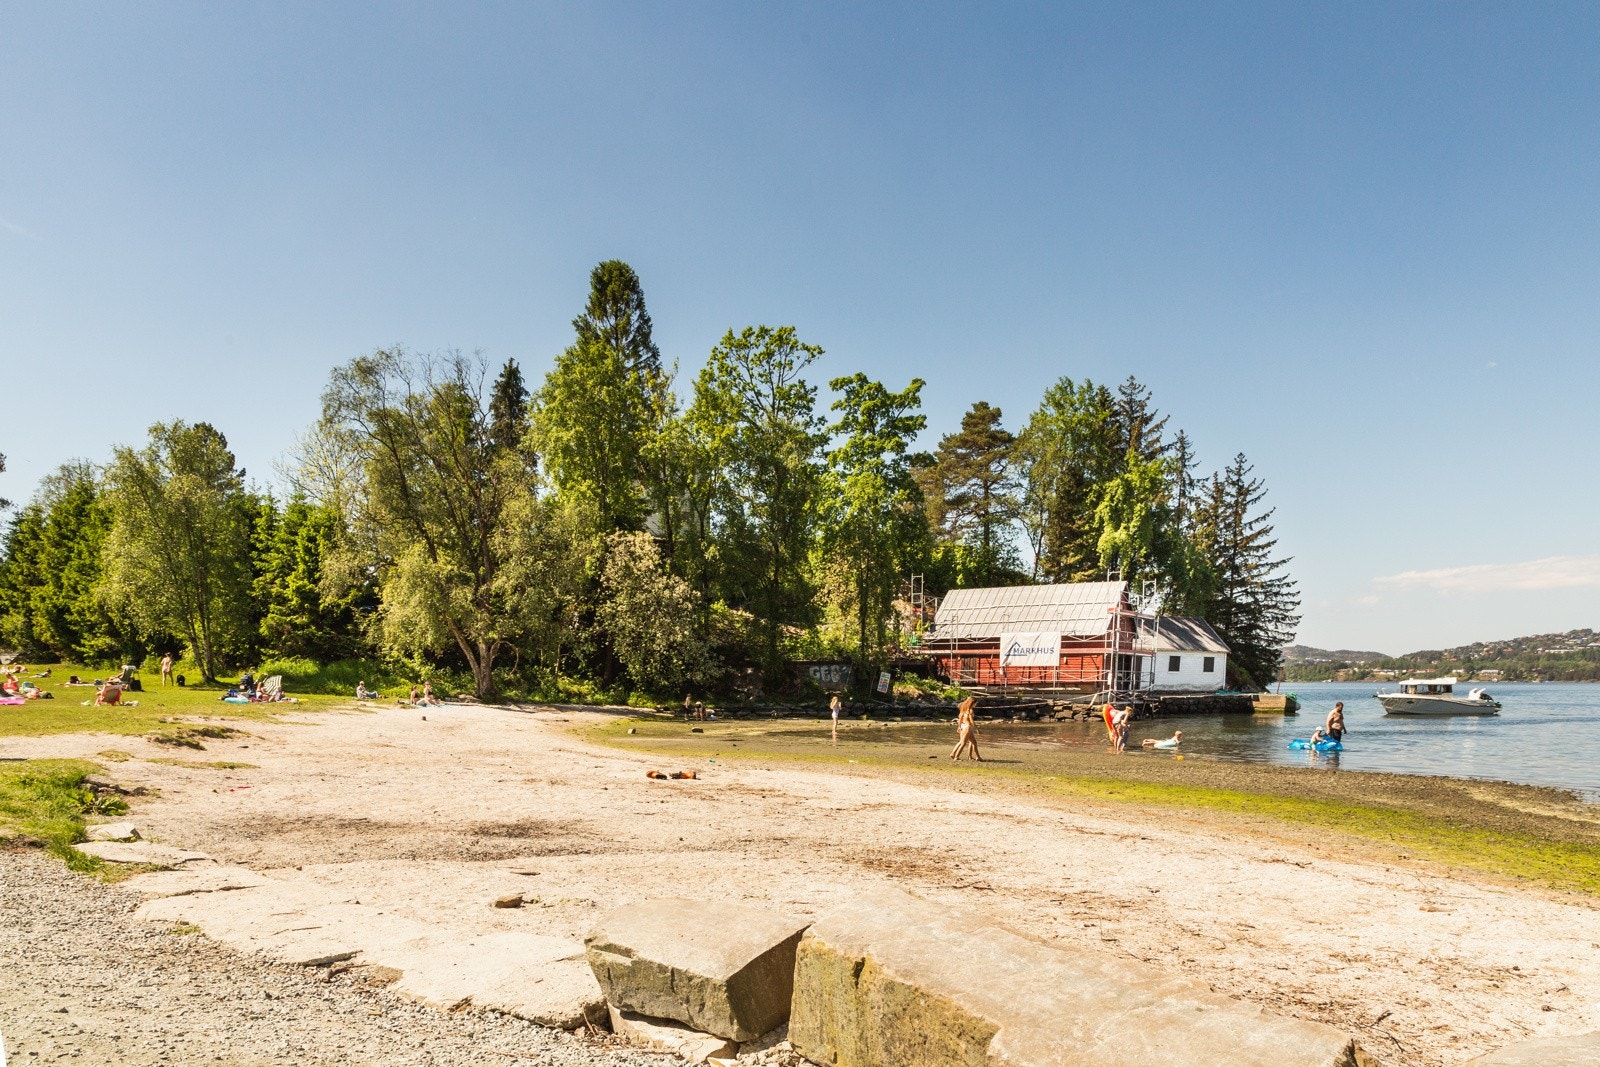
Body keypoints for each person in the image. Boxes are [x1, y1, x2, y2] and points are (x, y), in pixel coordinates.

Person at [949, 695, 982, 761]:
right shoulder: (970, 711)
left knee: (974, 742)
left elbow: (960, 719)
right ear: (972, 703)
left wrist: (959, 726)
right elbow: (971, 721)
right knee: (963, 743)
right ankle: (956, 757)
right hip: (967, 727)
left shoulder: (963, 709)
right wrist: (977, 729)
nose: (976, 705)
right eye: (976, 703)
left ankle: (978, 757)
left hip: (963, 726)